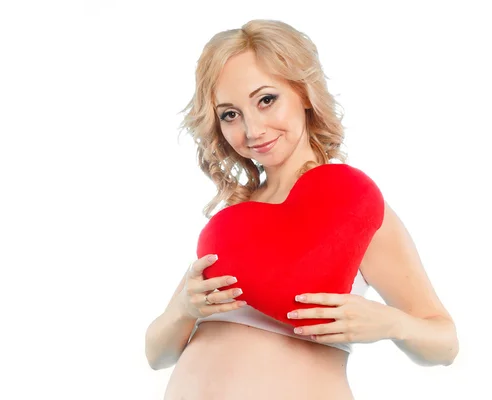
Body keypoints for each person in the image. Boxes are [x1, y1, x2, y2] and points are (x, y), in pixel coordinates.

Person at [144, 19, 459, 399]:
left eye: (266, 100)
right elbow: (156, 355)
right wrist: (183, 309)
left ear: (305, 93)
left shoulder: (352, 208)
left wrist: (390, 323)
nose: (253, 129)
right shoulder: (233, 220)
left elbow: (445, 343)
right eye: (230, 114)